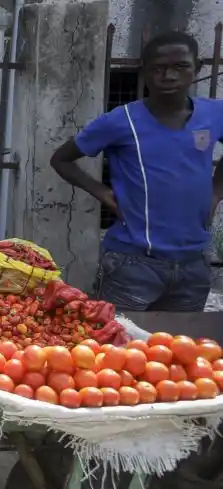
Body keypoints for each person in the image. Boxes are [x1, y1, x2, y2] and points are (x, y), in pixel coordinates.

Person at [51, 31, 223, 312]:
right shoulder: (121, 121)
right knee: (116, 344)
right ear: (145, 71)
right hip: (132, 263)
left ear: (197, 68)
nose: (168, 76)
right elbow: (61, 159)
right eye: (158, 68)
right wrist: (102, 193)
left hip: (194, 263)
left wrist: (216, 192)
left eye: (180, 66)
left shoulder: (215, 114)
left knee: (179, 349)